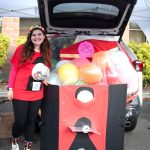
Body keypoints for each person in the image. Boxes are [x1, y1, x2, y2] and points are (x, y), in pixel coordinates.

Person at [7, 25, 51, 150]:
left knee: (32, 120)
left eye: (39, 34)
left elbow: (45, 70)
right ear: (30, 37)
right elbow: (14, 69)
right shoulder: (22, 49)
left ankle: (28, 145)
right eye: (34, 35)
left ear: (43, 36)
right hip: (20, 91)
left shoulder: (47, 51)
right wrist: (10, 89)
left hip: (37, 92)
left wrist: (45, 78)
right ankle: (15, 138)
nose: (37, 37)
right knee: (20, 121)